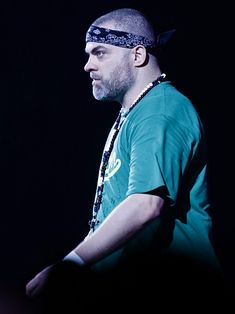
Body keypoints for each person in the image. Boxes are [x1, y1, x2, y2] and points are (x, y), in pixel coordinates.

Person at [26, 7, 226, 312]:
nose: (87, 66)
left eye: (100, 53)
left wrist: (69, 266)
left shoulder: (161, 109)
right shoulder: (135, 114)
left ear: (137, 55)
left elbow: (145, 204)